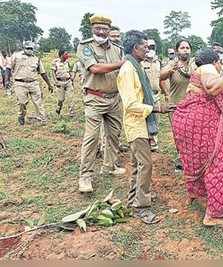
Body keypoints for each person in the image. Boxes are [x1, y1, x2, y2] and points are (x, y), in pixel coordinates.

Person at [172, 48, 223, 226]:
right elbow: (212, 89)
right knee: (216, 163)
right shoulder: (208, 68)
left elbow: (212, 94)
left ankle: (196, 194)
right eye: (220, 63)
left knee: (196, 162)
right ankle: (213, 214)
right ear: (215, 61)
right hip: (201, 124)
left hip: (187, 123)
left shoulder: (200, 72)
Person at [117, 30, 173, 224]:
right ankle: (142, 206)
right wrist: (155, 108)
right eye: (145, 47)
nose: (147, 50)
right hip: (136, 124)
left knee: (137, 165)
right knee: (145, 164)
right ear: (135, 48)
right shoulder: (128, 70)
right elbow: (130, 104)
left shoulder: (136, 66)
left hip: (141, 123)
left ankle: (135, 199)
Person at [77, 14, 126, 193]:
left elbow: (122, 72)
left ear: (109, 30)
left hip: (113, 99)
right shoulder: (85, 46)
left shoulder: (117, 49)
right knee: (92, 138)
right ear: (92, 29)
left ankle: (109, 166)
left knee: (114, 135)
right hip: (94, 98)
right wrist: (121, 63)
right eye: (97, 28)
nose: (101, 31)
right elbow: (95, 69)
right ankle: (85, 176)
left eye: (104, 29)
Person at [160, 39, 195, 171]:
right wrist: (170, 71)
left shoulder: (194, 65)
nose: (185, 50)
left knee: (192, 132)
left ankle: (191, 158)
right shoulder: (171, 64)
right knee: (179, 134)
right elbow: (161, 77)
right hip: (175, 105)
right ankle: (181, 159)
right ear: (176, 51)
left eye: (187, 47)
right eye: (182, 47)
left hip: (192, 104)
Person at [11, 41, 54, 125]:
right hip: (20, 83)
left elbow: (43, 73)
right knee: (22, 102)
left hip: (33, 83)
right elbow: (9, 68)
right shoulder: (16, 56)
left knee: (39, 102)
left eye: (31, 49)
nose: (30, 50)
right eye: (28, 48)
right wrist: (7, 81)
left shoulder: (36, 59)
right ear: (24, 48)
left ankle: (42, 119)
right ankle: (21, 115)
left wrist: (49, 84)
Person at [141, 39, 162, 152]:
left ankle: (154, 142)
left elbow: (161, 78)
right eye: (148, 47)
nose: (150, 49)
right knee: (144, 118)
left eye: (153, 47)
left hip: (156, 95)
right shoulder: (140, 62)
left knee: (155, 119)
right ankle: (145, 142)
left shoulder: (158, 62)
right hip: (144, 95)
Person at [52, 49, 75, 116]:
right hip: (60, 82)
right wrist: (55, 82)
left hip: (68, 81)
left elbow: (69, 71)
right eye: (66, 54)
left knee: (71, 97)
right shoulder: (55, 62)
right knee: (61, 99)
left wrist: (71, 79)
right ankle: (58, 109)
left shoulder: (67, 62)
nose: (67, 55)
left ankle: (71, 113)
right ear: (61, 55)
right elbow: (53, 72)